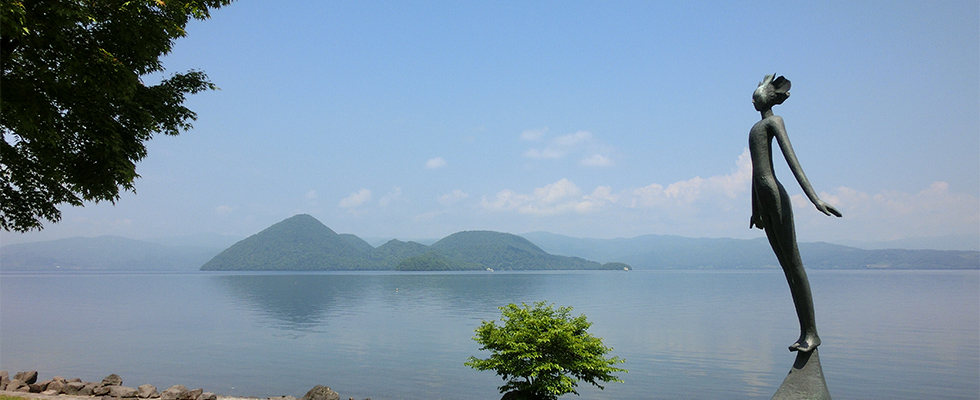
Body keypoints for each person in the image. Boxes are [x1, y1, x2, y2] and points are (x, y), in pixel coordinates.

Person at [748, 74, 841, 352]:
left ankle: (812, 333)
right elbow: (755, 172)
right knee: (787, 269)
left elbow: (792, 162)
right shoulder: (755, 128)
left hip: (776, 197)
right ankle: (804, 333)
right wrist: (754, 208)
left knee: (795, 264)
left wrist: (815, 199)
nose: (754, 97)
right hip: (764, 200)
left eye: (759, 92)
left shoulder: (774, 122)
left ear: (772, 96)